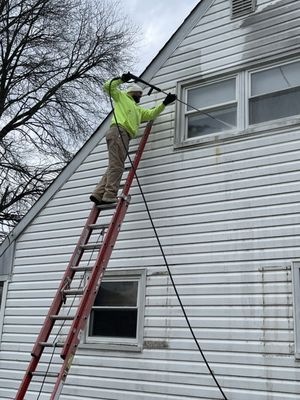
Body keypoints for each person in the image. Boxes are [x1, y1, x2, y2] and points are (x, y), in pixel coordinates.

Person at [90, 73, 177, 205]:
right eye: (139, 95)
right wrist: (121, 80)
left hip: (124, 136)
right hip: (119, 131)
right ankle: (109, 195)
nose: (140, 97)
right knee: (117, 165)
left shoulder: (138, 110)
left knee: (114, 164)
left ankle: (98, 193)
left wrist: (164, 103)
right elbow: (107, 87)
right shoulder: (122, 97)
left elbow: (151, 114)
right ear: (133, 93)